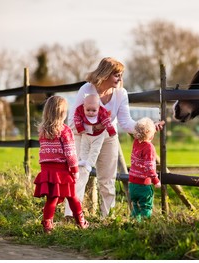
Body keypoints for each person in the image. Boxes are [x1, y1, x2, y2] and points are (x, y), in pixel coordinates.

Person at [65, 57, 164, 218]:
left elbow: (126, 122)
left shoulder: (120, 93)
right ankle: (72, 215)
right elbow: (71, 122)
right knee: (80, 174)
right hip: (83, 136)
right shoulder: (87, 90)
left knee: (108, 179)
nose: (120, 78)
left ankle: (107, 217)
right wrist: (93, 128)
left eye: (121, 75)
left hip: (107, 137)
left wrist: (148, 126)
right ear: (105, 74)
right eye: (116, 74)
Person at [33, 96, 89, 234]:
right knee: (72, 197)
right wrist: (75, 170)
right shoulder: (64, 131)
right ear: (63, 113)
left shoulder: (43, 131)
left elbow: (44, 153)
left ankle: (47, 225)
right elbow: (70, 152)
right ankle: (81, 222)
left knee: (51, 199)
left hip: (47, 171)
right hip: (61, 171)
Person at [128, 117, 161, 222]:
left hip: (132, 183)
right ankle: (145, 225)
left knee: (135, 206)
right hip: (143, 184)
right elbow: (149, 167)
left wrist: (153, 128)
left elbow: (144, 132)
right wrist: (156, 181)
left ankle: (133, 224)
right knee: (145, 206)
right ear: (148, 133)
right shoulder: (149, 147)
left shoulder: (136, 142)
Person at [73, 94, 116, 172]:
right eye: (88, 110)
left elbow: (107, 122)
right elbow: (76, 119)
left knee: (95, 150)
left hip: (98, 135)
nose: (91, 113)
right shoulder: (79, 110)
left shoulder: (102, 112)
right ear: (83, 107)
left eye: (94, 110)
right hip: (86, 133)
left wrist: (111, 131)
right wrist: (80, 128)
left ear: (98, 108)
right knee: (84, 147)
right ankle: (83, 160)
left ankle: (90, 163)